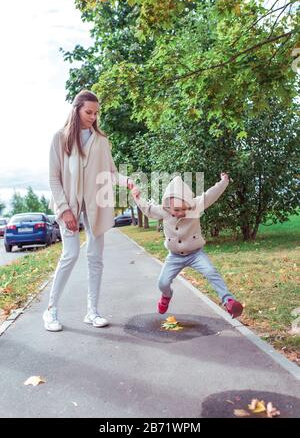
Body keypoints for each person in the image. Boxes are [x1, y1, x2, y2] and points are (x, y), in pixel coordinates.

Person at [44, 90, 134, 331]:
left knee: (95, 259)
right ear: (76, 110)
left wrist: (129, 181)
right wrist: (64, 210)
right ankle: (51, 311)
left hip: (96, 206)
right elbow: (54, 178)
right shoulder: (59, 138)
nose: (93, 117)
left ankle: (92, 311)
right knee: (70, 255)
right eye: (88, 112)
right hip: (69, 206)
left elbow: (112, 173)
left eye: (96, 113)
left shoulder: (102, 141)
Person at [131, 173, 243, 318]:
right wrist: (136, 196)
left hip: (196, 254)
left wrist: (224, 181)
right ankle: (167, 295)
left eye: (184, 209)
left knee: (210, 271)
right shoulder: (163, 211)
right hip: (175, 256)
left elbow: (211, 194)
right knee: (162, 283)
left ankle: (228, 300)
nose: (181, 213)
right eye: (177, 210)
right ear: (168, 205)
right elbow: (147, 208)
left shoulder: (195, 206)